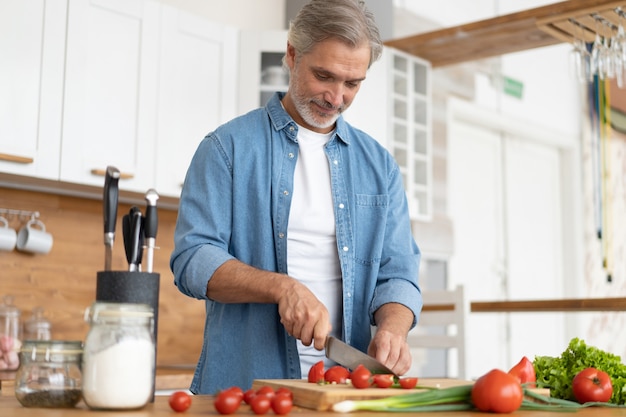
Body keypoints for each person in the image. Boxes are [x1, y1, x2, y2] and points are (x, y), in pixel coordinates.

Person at [170, 0, 422, 394]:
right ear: (292, 54)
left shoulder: (379, 166)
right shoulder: (226, 148)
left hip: (343, 390)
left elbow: (398, 273)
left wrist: (393, 327)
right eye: (324, 76)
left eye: (352, 83)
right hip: (246, 388)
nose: (336, 97)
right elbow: (193, 260)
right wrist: (282, 288)